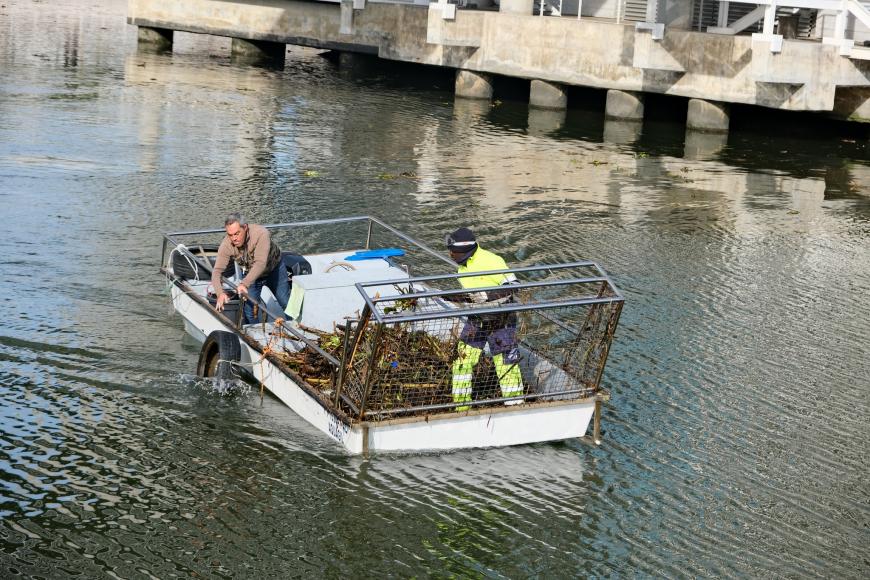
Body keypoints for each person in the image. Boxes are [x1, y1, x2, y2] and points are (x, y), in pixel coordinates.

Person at [446, 227, 524, 411]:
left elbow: (513, 285)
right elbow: (473, 295)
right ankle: (461, 406)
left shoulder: (491, 260)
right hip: (477, 319)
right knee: (462, 361)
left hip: (501, 320)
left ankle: (515, 405)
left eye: (453, 251)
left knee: (506, 363)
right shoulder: (463, 267)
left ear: (464, 250)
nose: (450, 255)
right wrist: (456, 298)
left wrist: (487, 296)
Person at [211, 213, 290, 324]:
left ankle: (297, 327)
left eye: (237, 233)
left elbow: (260, 263)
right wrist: (220, 293)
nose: (234, 238)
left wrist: (244, 284)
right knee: (249, 311)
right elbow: (217, 271)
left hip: (274, 269)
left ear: (245, 227)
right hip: (251, 274)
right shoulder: (226, 245)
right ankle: (255, 332)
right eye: (230, 235)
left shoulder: (261, 234)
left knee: (286, 303)